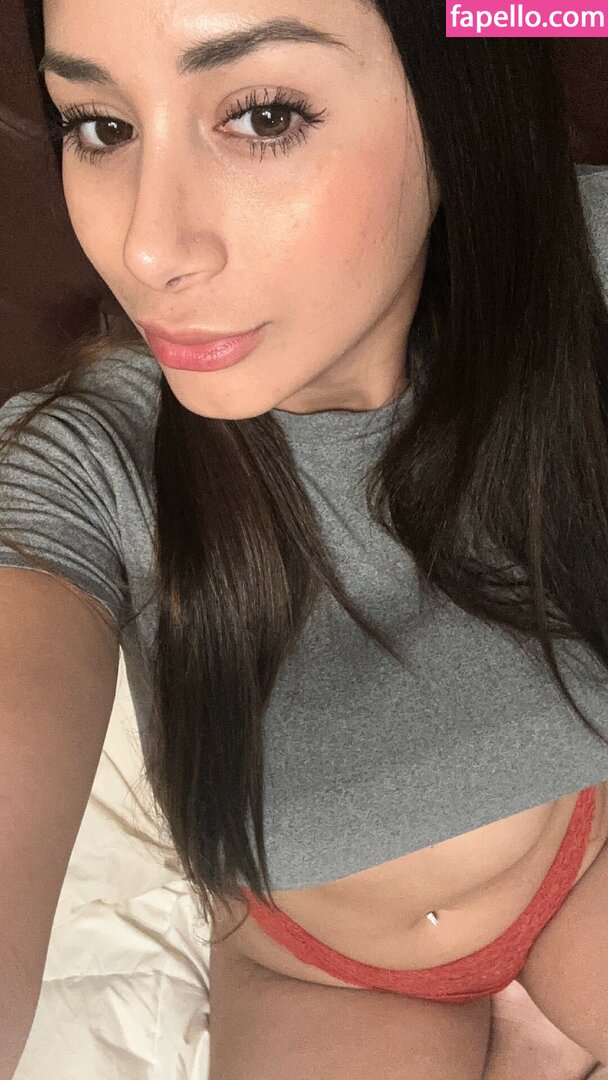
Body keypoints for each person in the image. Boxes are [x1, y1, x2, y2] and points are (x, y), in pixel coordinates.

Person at [1, 0, 608, 1076]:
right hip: (315, 966)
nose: (146, 248)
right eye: (101, 127)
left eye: (264, 115)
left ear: (454, 101)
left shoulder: (584, 270)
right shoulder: (81, 466)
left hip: (581, 855)